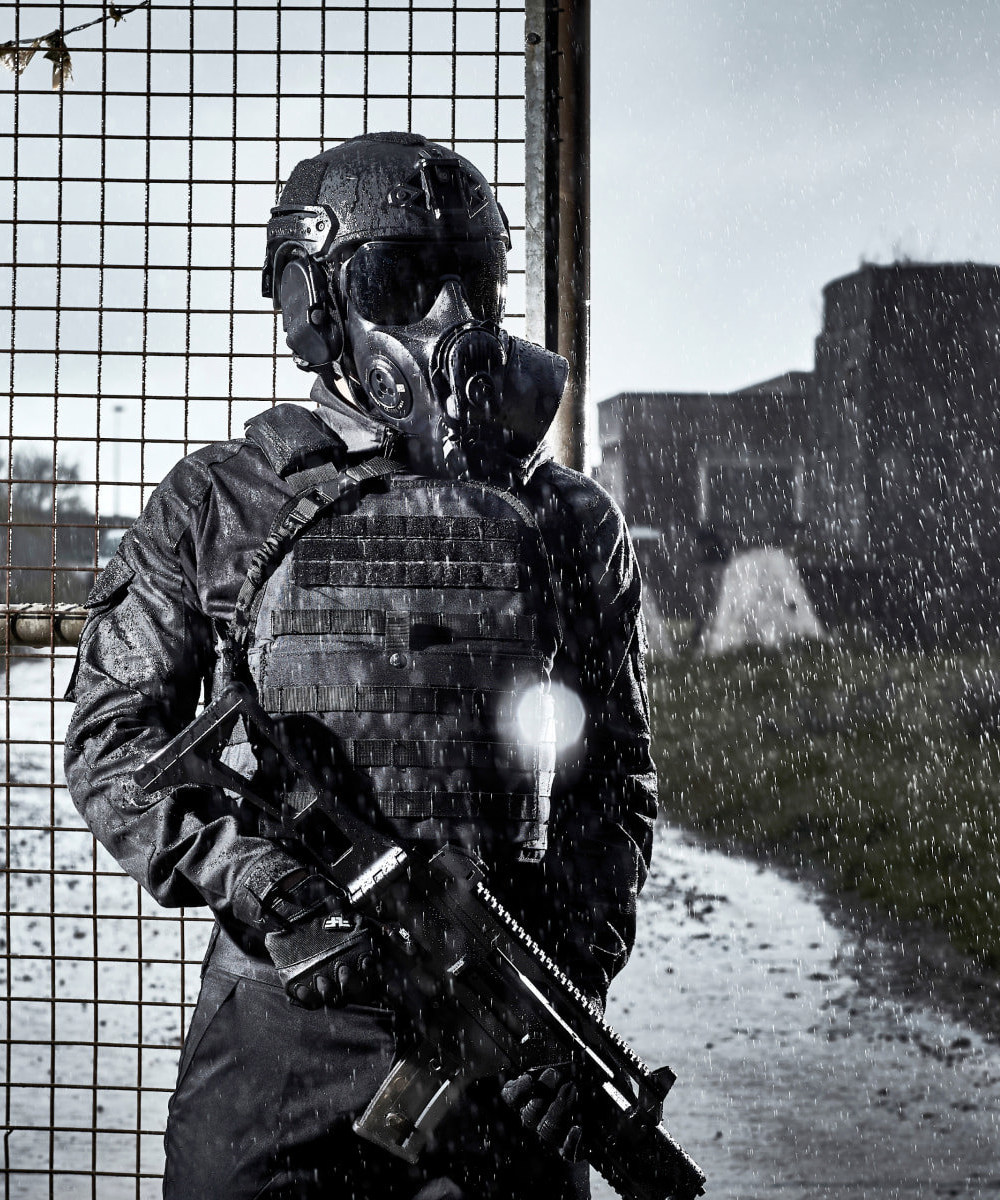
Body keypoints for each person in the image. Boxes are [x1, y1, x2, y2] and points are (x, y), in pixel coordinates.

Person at [63, 132, 656, 1200]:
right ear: (317, 308)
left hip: (491, 1040)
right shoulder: (219, 506)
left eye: (471, 281)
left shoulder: (565, 520)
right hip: (282, 1034)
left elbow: (612, 791)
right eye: (402, 280)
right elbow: (114, 742)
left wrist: (564, 999)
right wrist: (263, 881)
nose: (449, 319)